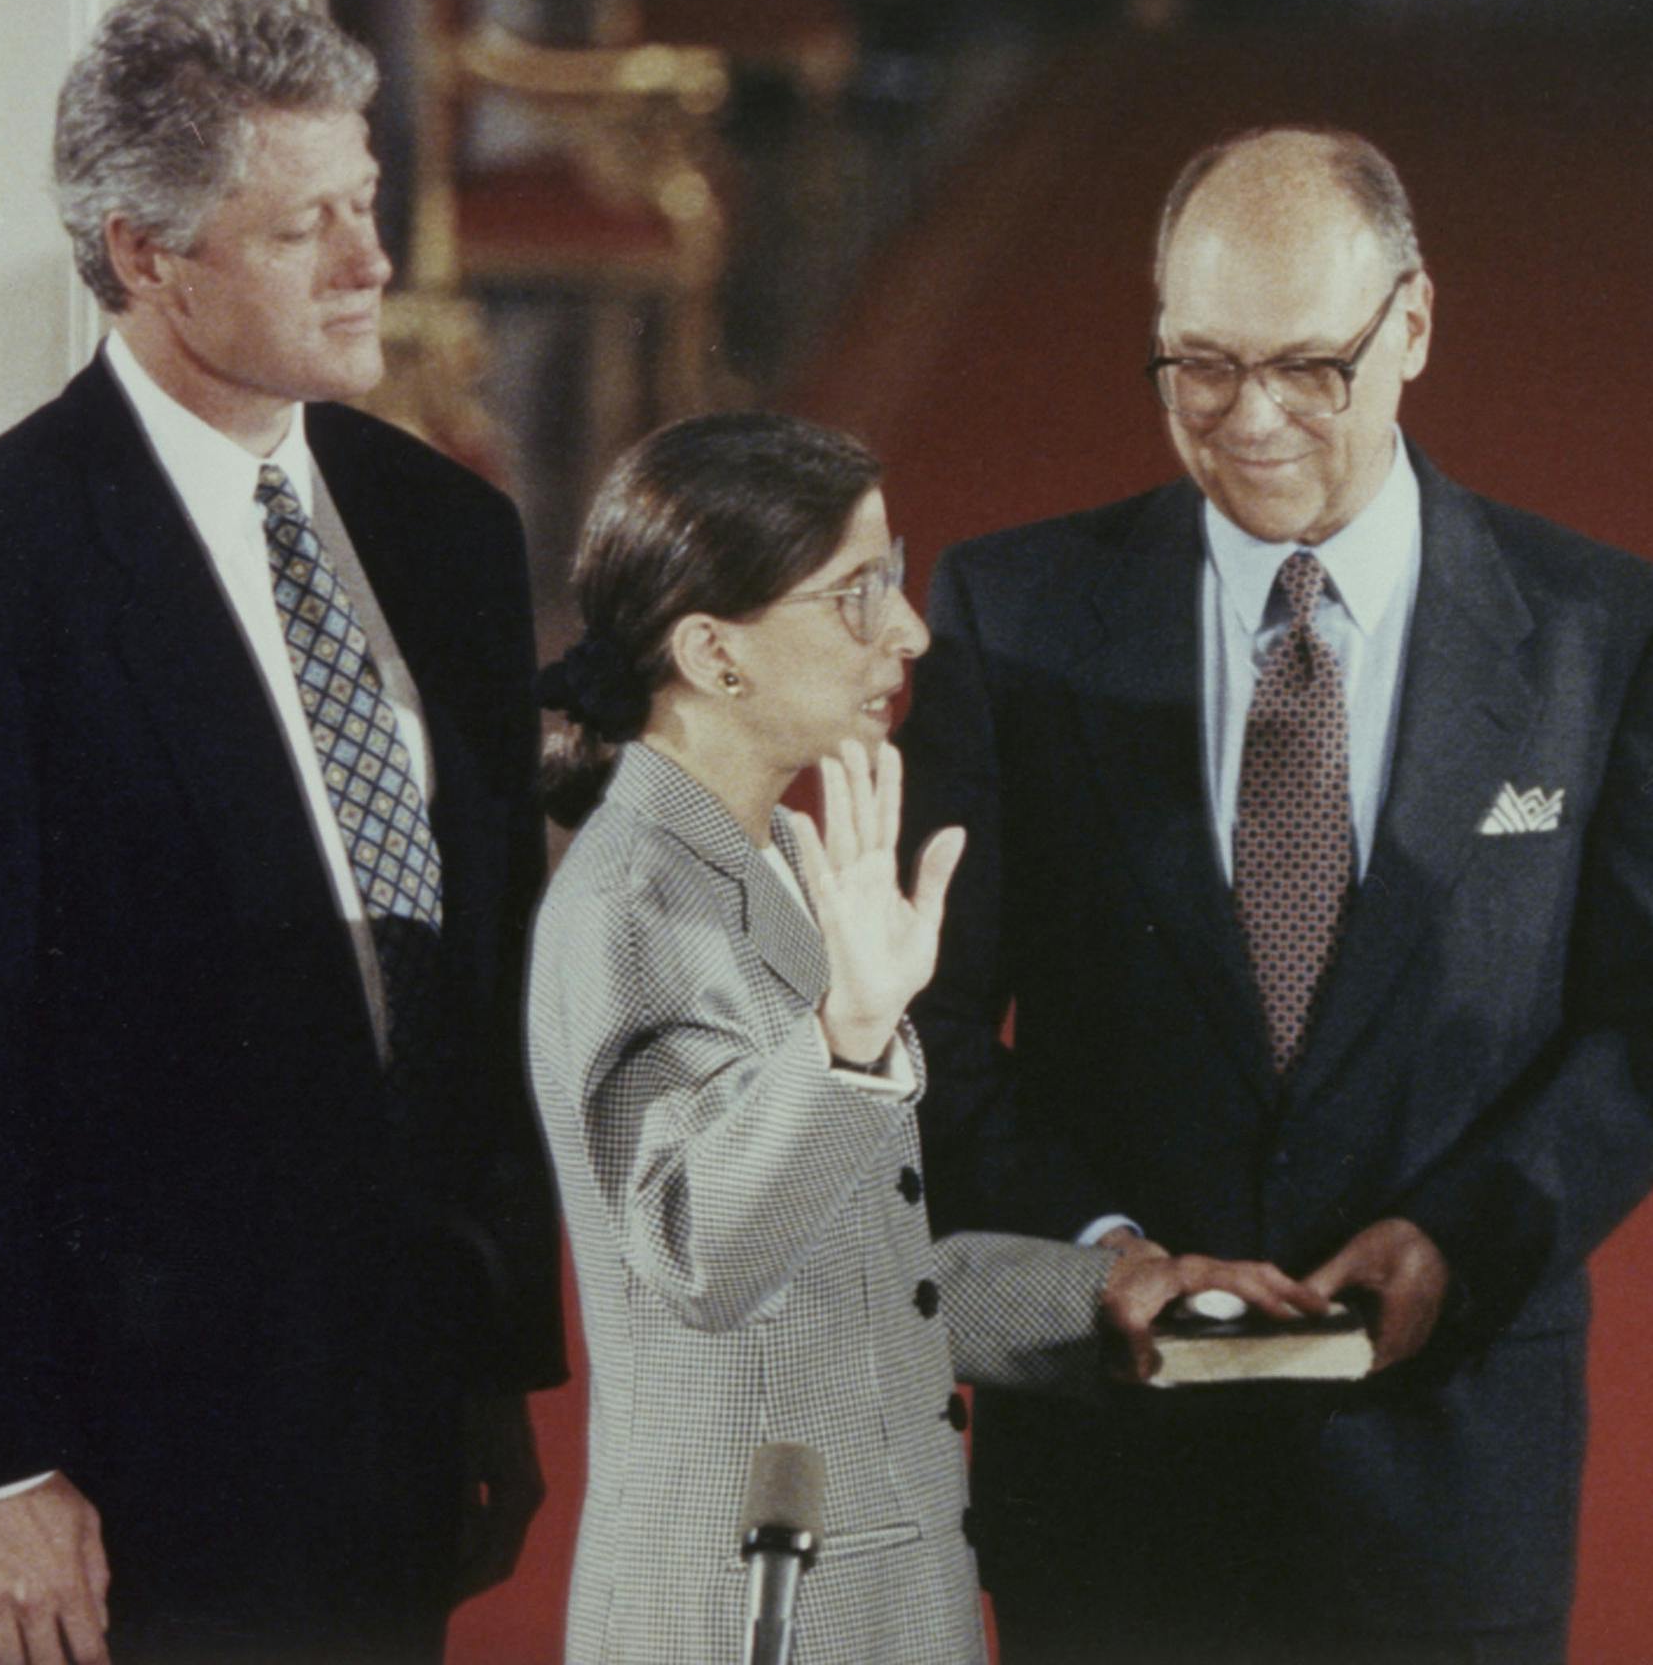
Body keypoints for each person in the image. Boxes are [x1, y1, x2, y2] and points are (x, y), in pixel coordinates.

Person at [896, 126, 1653, 1663]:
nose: (1253, 421)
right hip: (1113, 1484)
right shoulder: (1010, 619)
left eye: (1312, 366)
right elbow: (932, 1024)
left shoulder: (1600, 633)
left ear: (1413, 325)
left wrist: (1465, 1238)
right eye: (1199, 367)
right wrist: (1097, 1257)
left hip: (1442, 1470)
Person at [0, 0, 562, 1664]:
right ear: (148, 257)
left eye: (367, 204)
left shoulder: (444, 538)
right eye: (308, 229)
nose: (376, 263)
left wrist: (493, 1367)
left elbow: (470, 992)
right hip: (99, 1490)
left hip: (385, 1443)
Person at [524, 413, 1321, 1665]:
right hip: (745, 1621)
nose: (910, 633)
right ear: (714, 655)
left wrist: (1109, 1287)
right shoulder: (636, 902)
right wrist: (846, 1038)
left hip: (871, 1600)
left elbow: (852, 1282)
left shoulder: (776, 853)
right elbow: (700, 1261)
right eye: (859, 595)